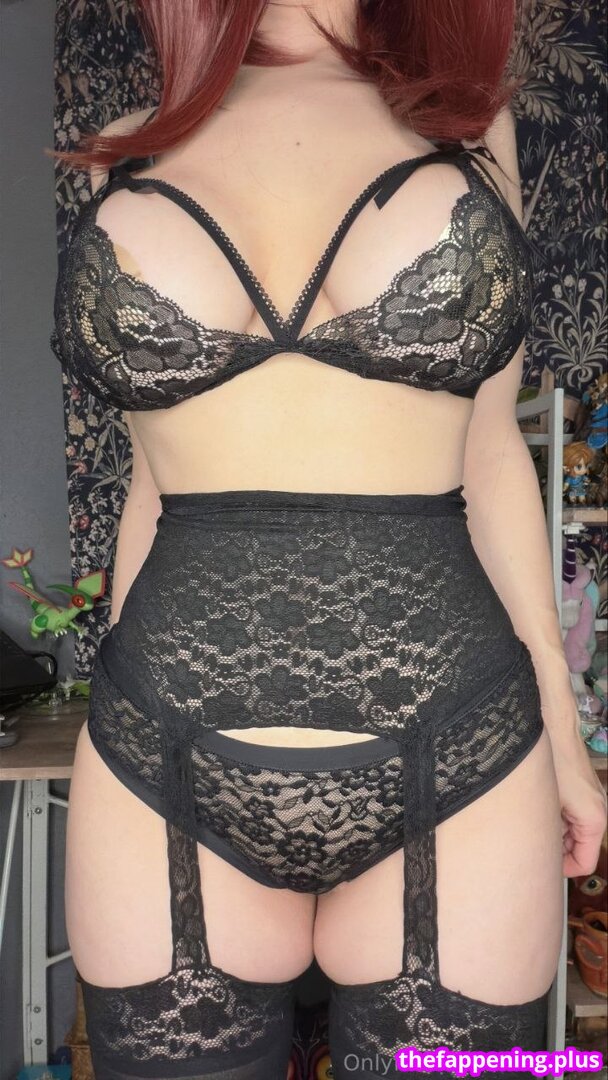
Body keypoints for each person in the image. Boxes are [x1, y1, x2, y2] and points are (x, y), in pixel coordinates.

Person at [49, 1, 607, 1077]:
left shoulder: (467, 126)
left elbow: (491, 451)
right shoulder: (126, 148)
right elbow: (153, 477)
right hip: (162, 746)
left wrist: (565, 734)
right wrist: (116, 691)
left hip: (459, 748)